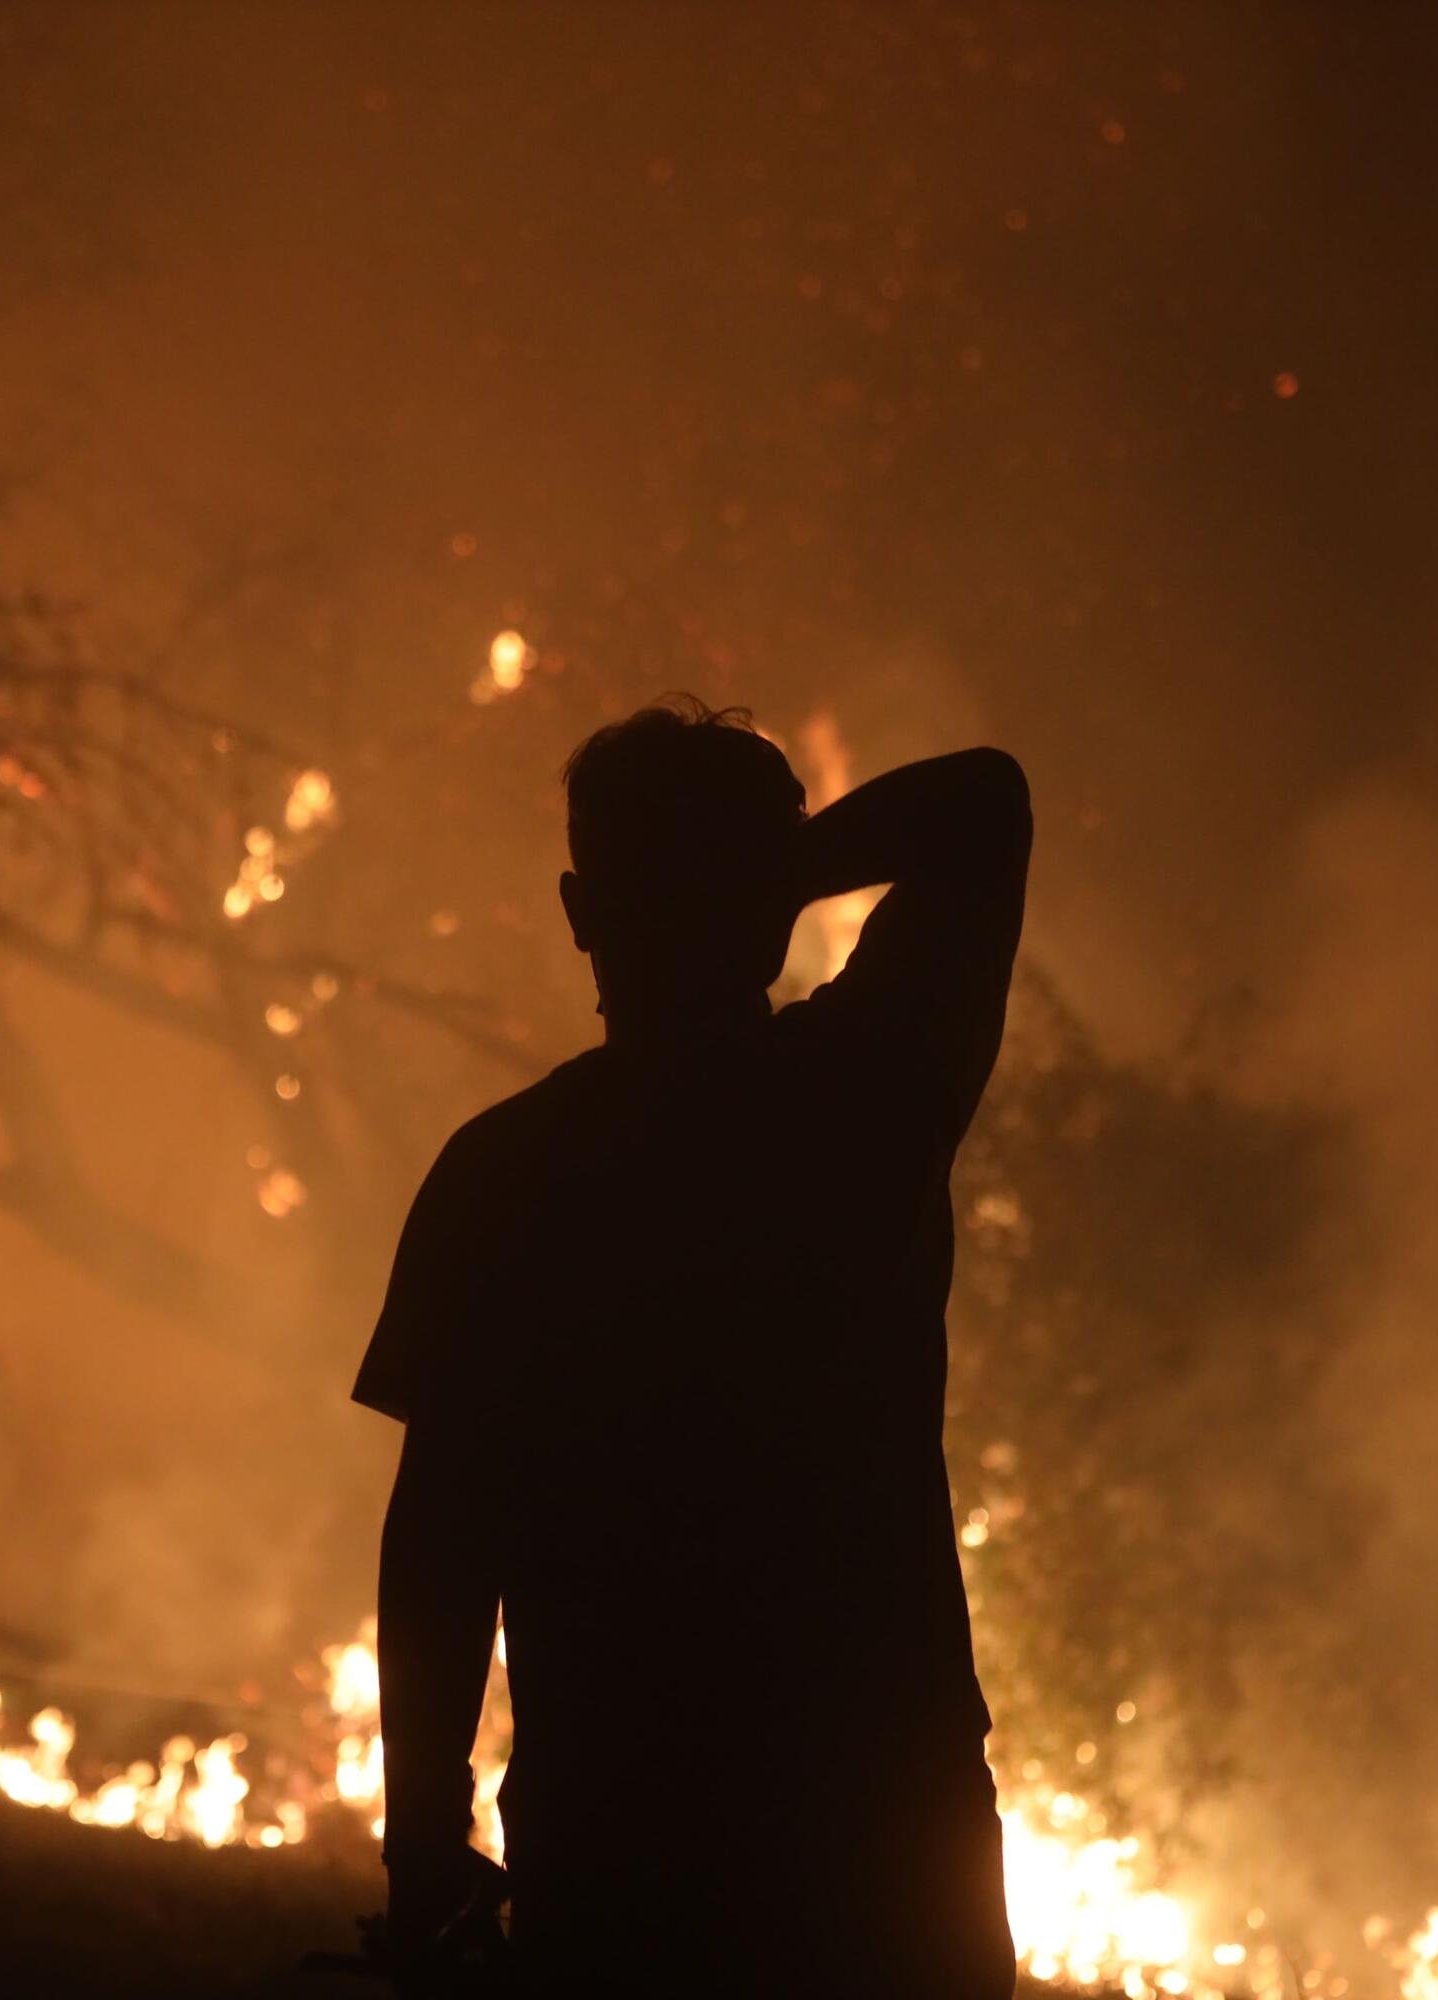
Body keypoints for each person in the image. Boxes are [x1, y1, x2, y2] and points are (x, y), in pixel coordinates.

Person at [355, 696, 1031, 1999]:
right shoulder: (871, 1095)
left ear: (577, 905)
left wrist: (425, 1841)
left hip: (625, 1853)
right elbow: (982, 803)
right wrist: (767, 871)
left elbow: (441, 1538)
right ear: (776, 907)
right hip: (888, 1836)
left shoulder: (501, 1176)